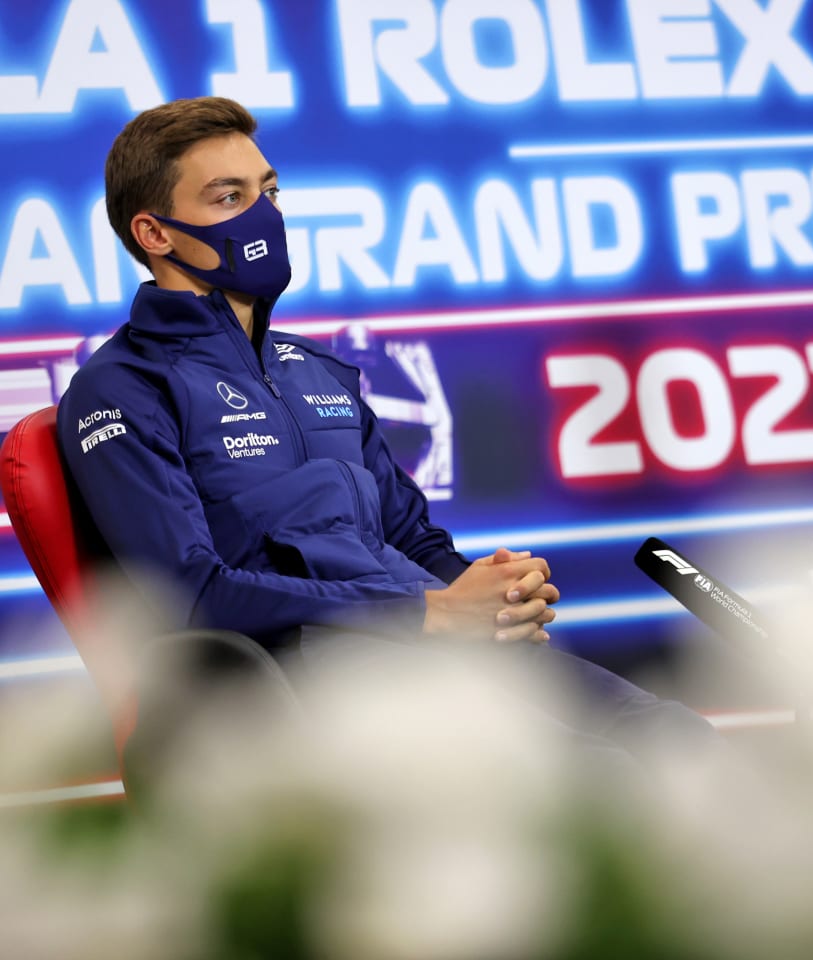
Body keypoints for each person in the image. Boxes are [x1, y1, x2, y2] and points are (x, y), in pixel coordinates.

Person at [57, 96, 720, 766]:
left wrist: (489, 598)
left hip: (429, 653)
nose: (264, 215)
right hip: (310, 685)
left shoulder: (318, 371)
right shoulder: (121, 388)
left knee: (679, 742)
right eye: (229, 197)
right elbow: (191, 596)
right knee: (594, 777)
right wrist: (429, 615)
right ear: (154, 233)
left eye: (270, 191)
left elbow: (409, 538)